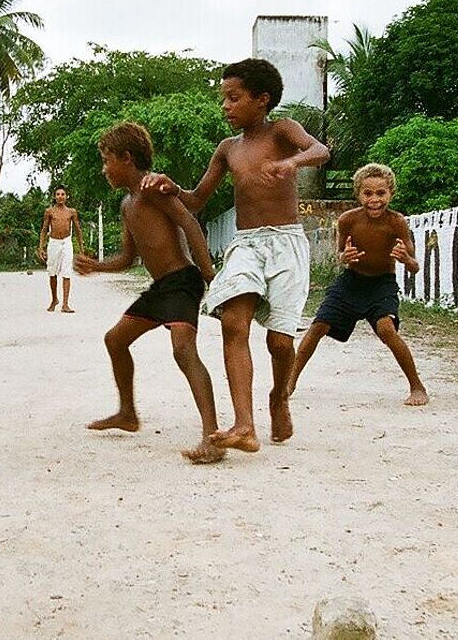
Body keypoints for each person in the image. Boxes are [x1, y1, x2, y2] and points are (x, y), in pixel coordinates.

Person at [142, 58, 331, 451]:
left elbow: (320, 150)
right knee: (233, 322)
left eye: (233, 98)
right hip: (246, 245)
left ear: (262, 100)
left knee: (280, 343)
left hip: (286, 243)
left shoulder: (282, 129)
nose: (225, 106)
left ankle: (279, 397)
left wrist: (291, 161)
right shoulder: (228, 149)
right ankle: (245, 425)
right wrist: (169, 187)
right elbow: (195, 200)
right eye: (223, 99)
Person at [75, 122, 224, 464]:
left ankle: (212, 437)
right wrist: (96, 266)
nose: (103, 168)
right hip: (161, 288)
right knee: (115, 340)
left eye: (107, 159)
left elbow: (189, 222)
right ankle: (127, 413)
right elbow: (129, 258)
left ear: (126, 158)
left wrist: (208, 272)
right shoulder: (128, 204)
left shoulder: (154, 188)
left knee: (184, 351)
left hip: (184, 281)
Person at [284, 164, 429, 407]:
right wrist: (344, 257)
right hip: (351, 282)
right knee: (318, 326)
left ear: (390, 193)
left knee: (386, 329)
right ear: (358, 194)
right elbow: (340, 254)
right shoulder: (347, 220)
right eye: (368, 193)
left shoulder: (397, 223)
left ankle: (417, 385)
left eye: (381, 193)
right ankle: (289, 382)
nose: (374, 200)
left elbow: (414, 266)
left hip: (382, 284)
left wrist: (406, 259)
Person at [37, 187, 84, 313]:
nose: (60, 196)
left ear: (66, 196)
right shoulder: (49, 212)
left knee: (67, 272)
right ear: (54, 196)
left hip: (66, 242)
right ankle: (54, 299)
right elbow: (44, 230)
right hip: (53, 243)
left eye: (63, 194)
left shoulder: (71, 212)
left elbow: (78, 230)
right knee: (52, 273)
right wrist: (41, 247)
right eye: (58, 194)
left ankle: (65, 304)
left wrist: (81, 248)